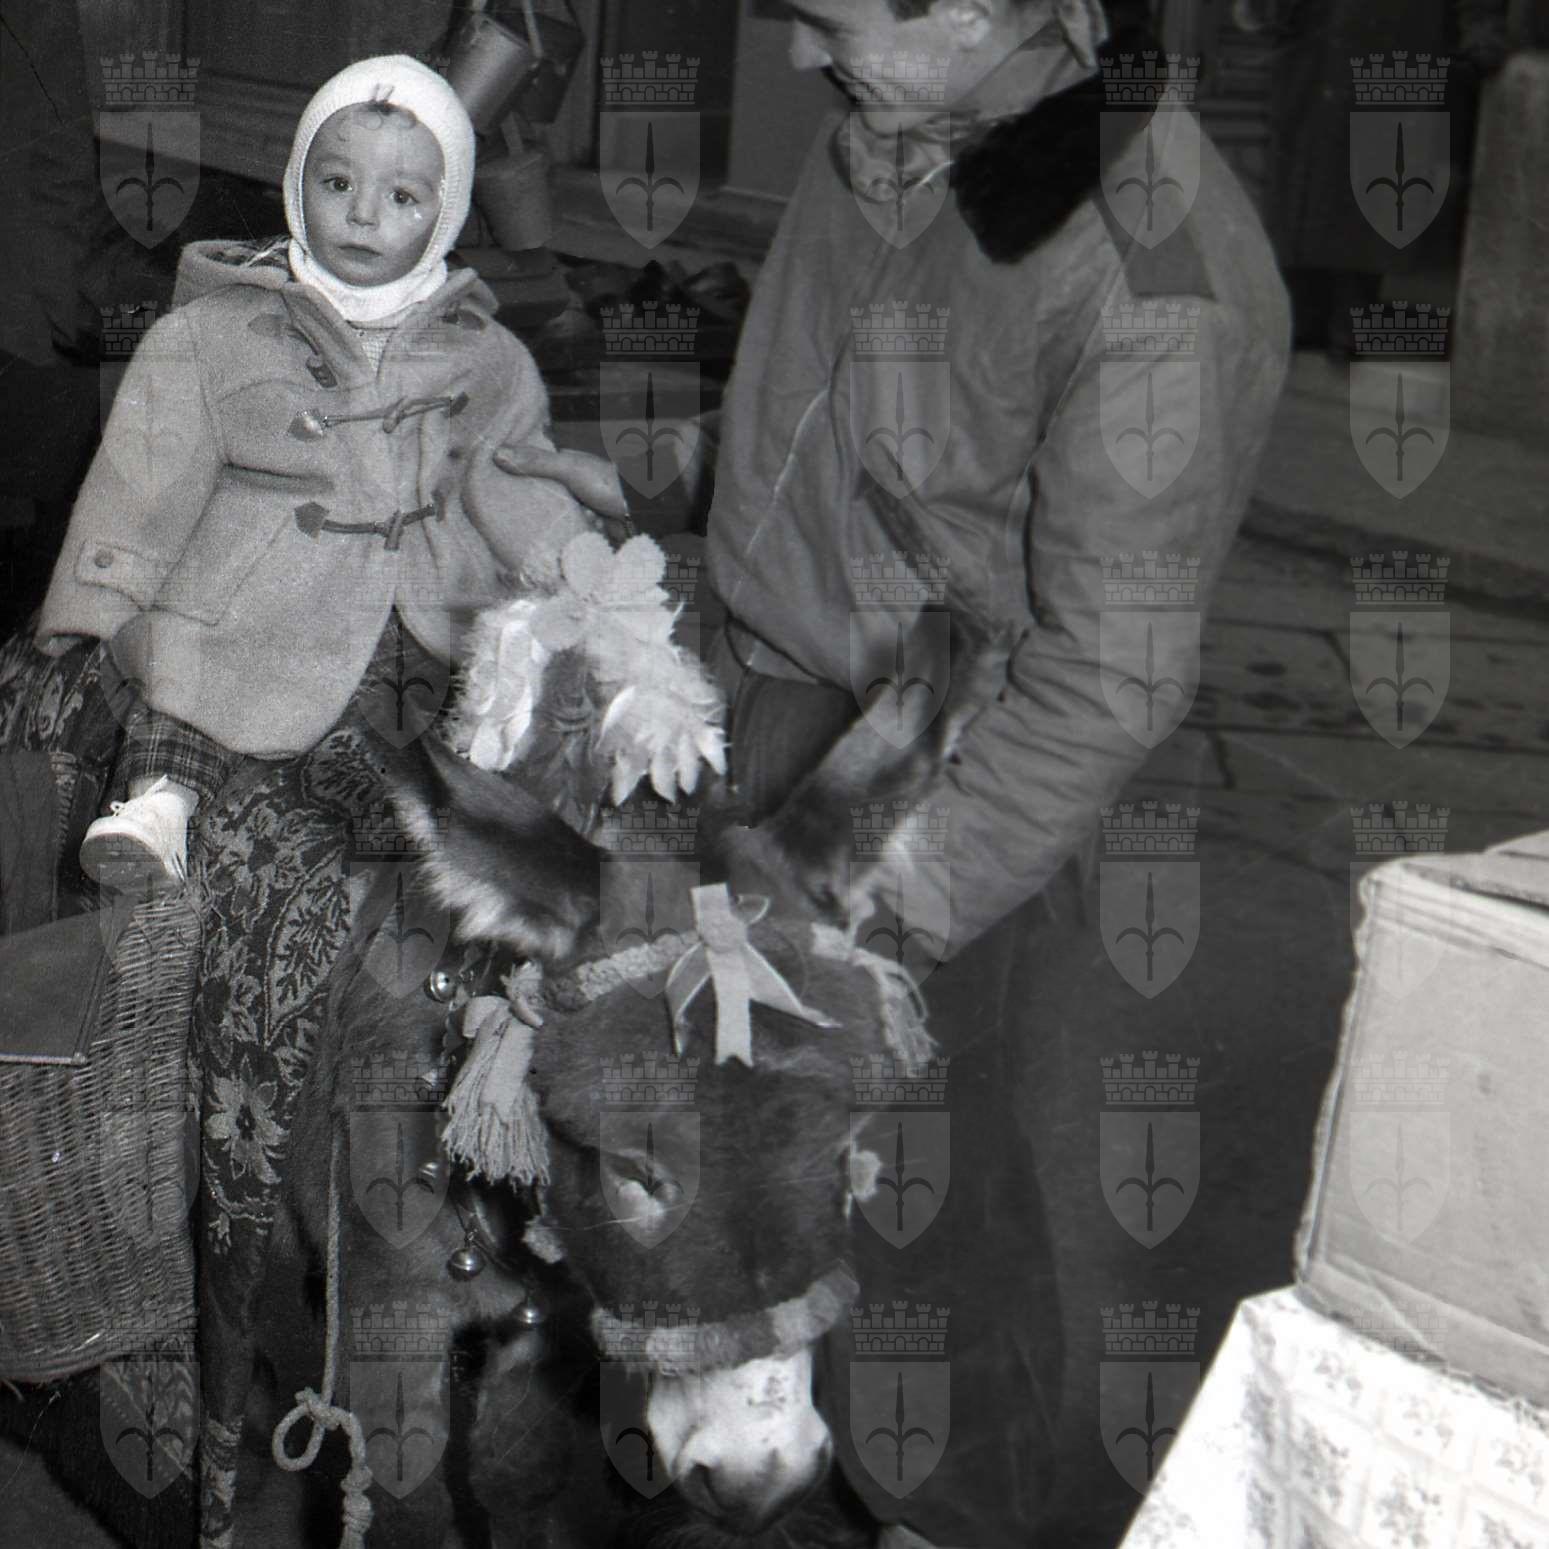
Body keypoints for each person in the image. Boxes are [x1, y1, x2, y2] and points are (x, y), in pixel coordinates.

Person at [501, 1, 1291, 1542]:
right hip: (758, 713)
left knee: (921, 1215)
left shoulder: (1159, 270)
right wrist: (648, 481)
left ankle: (947, 1511)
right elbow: (839, 428)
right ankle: (724, 1462)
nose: (801, 53)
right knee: (716, 1168)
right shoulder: (890, 128)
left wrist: (881, 911)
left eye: (828, 15)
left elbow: (1107, 679)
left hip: (939, 792)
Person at [35, 54, 588, 886]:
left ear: (445, 216)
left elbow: (516, 468)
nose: (362, 215)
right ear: (297, 184)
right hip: (260, 583)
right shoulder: (214, 332)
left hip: (421, 595)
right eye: (337, 183)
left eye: (402, 198)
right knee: (184, 668)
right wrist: (103, 594)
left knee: (472, 702)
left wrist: (571, 572)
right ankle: (156, 806)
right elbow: (146, 476)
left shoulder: (485, 353)